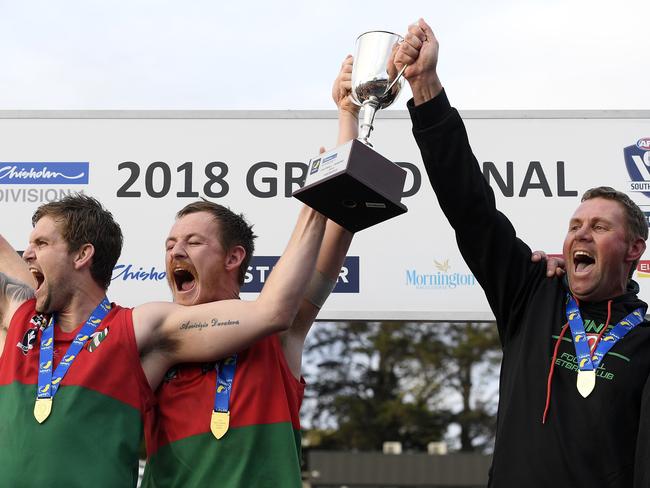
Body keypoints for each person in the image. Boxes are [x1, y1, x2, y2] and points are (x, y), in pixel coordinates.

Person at [396, 19, 650, 488]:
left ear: (635, 248)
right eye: (575, 226)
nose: (581, 235)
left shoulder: (646, 340)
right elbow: (470, 207)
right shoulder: (531, 291)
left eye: (599, 227)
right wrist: (426, 88)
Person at [0, 193, 326, 486]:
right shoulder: (20, 317)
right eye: (169, 245)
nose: (27, 253)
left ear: (83, 254)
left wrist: (321, 199)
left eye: (41, 244)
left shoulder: (139, 328)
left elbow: (272, 311)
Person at [141, 56, 359, 487]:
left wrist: (348, 113)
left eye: (192, 242)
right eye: (169, 245)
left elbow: (338, 226)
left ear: (233, 257)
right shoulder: (153, 339)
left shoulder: (277, 330)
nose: (175, 252)